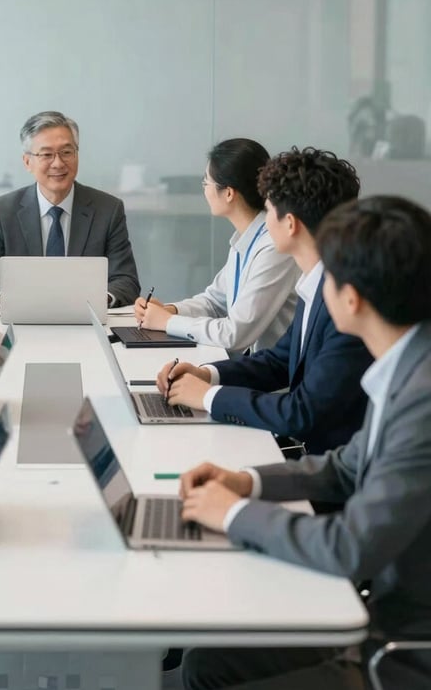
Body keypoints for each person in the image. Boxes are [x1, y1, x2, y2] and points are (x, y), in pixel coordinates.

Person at [170, 196, 431, 690]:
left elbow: (350, 546)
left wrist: (230, 514)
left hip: (398, 649)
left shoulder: (421, 398)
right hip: (378, 609)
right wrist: (245, 482)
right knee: (206, 663)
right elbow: (348, 467)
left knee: (210, 664)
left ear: (350, 299)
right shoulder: (405, 362)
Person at [156, 147, 372, 455]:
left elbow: (302, 412)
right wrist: (206, 374)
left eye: (269, 210)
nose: (264, 221)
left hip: (324, 466)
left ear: (291, 223)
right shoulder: (317, 283)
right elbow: (279, 362)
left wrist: (207, 397)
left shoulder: (345, 305)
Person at [135, 138, 298, 354]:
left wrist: (168, 322)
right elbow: (214, 302)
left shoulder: (273, 247)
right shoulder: (245, 239)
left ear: (228, 193)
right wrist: (170, 310)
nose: (204, 191)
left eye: (206, 184)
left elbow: (235, 334)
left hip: (269, 378)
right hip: (246, 367)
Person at [0, 111, 140, 308]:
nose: (58, 163)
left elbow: (126, 280)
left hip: (87, 322)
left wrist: (99, 300)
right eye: (47, 154)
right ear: (27, 162)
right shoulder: (2, 211)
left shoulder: (108, 209)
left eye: (66, 152)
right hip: (22, 321)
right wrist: (4, 301)